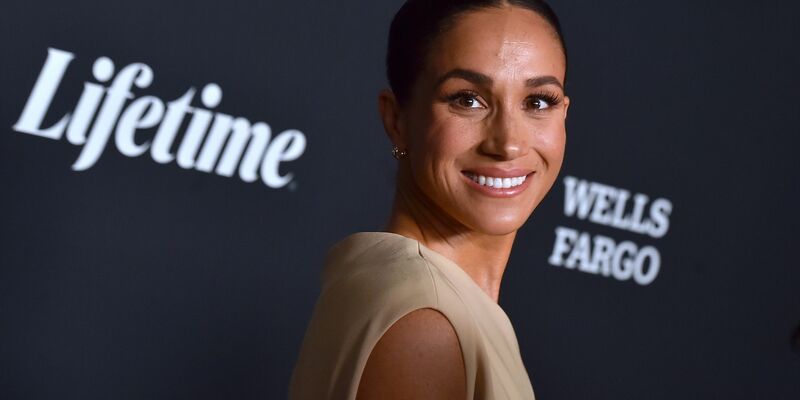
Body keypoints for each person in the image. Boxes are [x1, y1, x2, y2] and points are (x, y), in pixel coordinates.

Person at [288, 0, 569, 398]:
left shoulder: (398, 287)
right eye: (467, 99)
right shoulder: (428, 321)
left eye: (538, 101)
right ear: (396, 120)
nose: (508, 143)